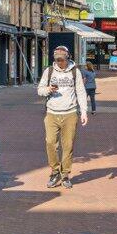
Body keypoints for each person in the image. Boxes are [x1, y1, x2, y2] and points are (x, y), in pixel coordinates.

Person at [38, 46, 88, 189]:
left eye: (62, 60)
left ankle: (65, 174)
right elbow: (39, 90)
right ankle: (55, 172)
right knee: (50, 143)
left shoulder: (74, 71)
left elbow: (81, 92)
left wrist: (84, 111)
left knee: (68, 146)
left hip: (70, 113)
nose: (59, 62)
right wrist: (48, 89)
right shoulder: (49, 71)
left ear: (68, 58)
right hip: (52, 113)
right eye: (57, 60)